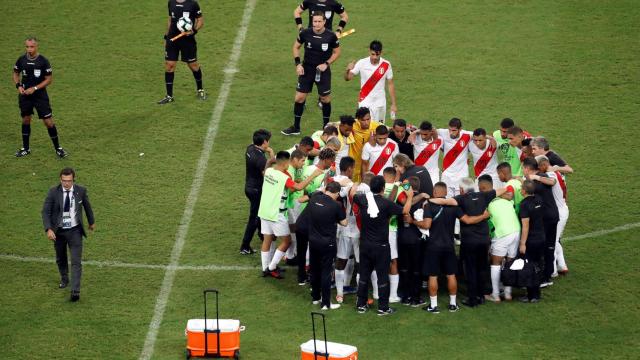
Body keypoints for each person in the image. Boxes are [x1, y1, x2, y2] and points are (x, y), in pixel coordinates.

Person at [428, 177, 513, 307]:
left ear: (462, 189)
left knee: (471, 270)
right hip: (484, 239)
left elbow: (445, 203)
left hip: (469, 241)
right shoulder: (484, 195)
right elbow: (503, 190)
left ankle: (472, 299)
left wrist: (428, 200)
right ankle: (482, 295)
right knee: (482, 268)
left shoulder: (460, 199)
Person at [422, 182, 490, 313]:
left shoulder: (429, 205)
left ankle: (434, 306)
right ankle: (453, 304)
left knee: (433, 275)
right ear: (446, 192)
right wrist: (483, 216)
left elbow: (426, 225)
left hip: (433, 246)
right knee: (451, 275)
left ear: (434, 192)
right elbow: (468, 221)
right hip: (449, 246)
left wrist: (414, 221)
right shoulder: (454, 206)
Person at [352, 175, 413, 315]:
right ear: (383, 188)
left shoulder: (363, 199)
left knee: (363, 275)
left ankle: (361, 304)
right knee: (382, 277)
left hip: (365, 245)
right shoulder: (386, 204)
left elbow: (352, 193)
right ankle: (383, 307)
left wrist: (356, 183)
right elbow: (404, 211)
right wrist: (409, 197)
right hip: (381, 247)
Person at [258, 151, 322, 279]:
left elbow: (271, 176)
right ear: (286, 162)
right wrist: (313, 175)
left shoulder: (269, 171)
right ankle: (270, 268)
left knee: (267, 239)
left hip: (264, 211)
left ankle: (265, 267)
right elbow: (298, 187)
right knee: (287, 241)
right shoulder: (284, 178)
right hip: (277, 214)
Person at [282, 11, 341, 135]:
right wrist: (298, 64)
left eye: (320, 21)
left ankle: (326, 128)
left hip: (322, 71)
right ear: (312, 21)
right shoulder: (305, 33)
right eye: (315, 21)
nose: (317, 24)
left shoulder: (331, 36)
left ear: (324, 22)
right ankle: (296, 128)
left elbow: (337, 52)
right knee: (299, 98)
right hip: (307, 69)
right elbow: (295, 47)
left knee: (325, 99)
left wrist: (326, 64)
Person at [41, 168, 95, 302]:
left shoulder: (81, 190)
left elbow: (87, 206)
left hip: (75, 231)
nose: (66, 184)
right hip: (58, 232)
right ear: (60, 180)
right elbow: (45, 211)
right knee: (61, 258)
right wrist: (48, 229)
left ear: (73, 180)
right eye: (64, 181)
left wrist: (91, 221)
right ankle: (64, 278)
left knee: (76, 261)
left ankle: (75, 290)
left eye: (69, 181)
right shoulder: (53, 192)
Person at [13, 37, 68, 158]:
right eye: (27, 47)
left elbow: (49, 80)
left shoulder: (43, 61)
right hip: (25, 96)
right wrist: (18, 86)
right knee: (26, 119)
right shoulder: (21, 60)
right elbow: (16, 73)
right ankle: (26, 148)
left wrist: (35, 88)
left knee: (48, 122)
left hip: (40, 96)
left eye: (31, 47)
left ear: (36, 46)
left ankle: (58, 148)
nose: (29, 49)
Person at [479, 175, 521, 302]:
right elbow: (509, 195)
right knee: (509, 263)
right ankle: (508, 294)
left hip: (502, 233)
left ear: (483, 188)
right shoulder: (507, 199)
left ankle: (496, 295)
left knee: (495, 264)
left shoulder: (485, 203)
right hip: (516, 230)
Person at [308, 182, 347, 310]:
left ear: (325, 189)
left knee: (314, 269)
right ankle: (325, 303)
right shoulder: (335, 205)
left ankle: (315, 297)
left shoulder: (314, 199)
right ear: (337, 193)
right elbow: (345, 223)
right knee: (326, 272)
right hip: (327, 244)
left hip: (313, 241)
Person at [158, 0, 206, 104]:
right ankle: (169, 96)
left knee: (193, 65)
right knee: (169, 65)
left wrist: (194, 31)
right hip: (173, 39)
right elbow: (170, 20)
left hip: (187, 41)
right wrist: (167, 37)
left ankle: (200, 90)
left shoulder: (193, 3)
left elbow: (200, 20)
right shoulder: (171, 2)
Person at [522, 157, 558, 287]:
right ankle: (548, 275)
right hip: (552, 215)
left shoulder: (540, 176)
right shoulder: (531, 178)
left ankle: (544, 277)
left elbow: (552, 181)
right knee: (549, 246)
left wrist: (536, 178)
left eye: (523, 168)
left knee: (546, 247)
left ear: (527, 168)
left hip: (547, 217)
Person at [345, 40, 398, 123]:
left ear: (381, 53)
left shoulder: (386, 64)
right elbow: (348, 78)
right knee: (364, 127)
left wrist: (393, 104)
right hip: (365, 101)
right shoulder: (362, 63)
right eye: (373, 54)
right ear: (369, 51)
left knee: (379, 128)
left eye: (377, 55)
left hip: (380, 103)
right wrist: (348, 70)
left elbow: (390, 84)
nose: (375, 57)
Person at [241, 129, 274, 255]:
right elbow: (269, 174)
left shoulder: (250, 148)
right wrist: (271, 155)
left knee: (260, 212)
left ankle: (261, 234)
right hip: (256, 190)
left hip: (249, 186)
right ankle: (244, 246)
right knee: (254, 218)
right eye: (268, 140)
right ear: (264, 142)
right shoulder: (260, 159)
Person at [396, 176, 428, 307]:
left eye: (405, 185)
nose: (403, 187)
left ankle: (405, 297)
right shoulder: (424, 200)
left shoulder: (401, 199)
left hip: (403, 237)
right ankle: (416, 297)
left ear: (410, 186)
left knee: (404, 268)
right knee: (416, 268)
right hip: (417, 238)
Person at [536, 155, 570, 276]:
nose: (537, 170)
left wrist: (535, 177)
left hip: (559, 211)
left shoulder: (551, 174)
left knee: (553, 240)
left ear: (544, 165)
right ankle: (561, 265)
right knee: (554, 240)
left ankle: (553, 271)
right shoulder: (557, 172)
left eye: (538, 167)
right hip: (561, 208)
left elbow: (550, 182)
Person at [518, 180, 546, 302]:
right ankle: (536, 293)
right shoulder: (539, 199)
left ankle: (531, 295)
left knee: (529, 266)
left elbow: (526, 226)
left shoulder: (524, 204)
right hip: (541, 237)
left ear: (524, 191)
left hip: (531, 240)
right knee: (538, 264)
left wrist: (522, 243)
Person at [437, 118, 473, 198]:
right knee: (445, 200)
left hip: (461, 175)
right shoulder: (443, 132)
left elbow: (481, 135)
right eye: (450, 130)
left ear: (460, 129)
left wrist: (491, 139)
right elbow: (429, 130)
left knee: (460, 201)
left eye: (454, 130)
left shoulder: (467, 135)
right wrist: (414, 132)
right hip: (447, 175)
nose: (451, 133)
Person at [350, 107, 381, 181]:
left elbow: (387, 129)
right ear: (358, 120)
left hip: (367, 163)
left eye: (368, 119)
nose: (366, 122)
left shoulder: (376, 126)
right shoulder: (353, 125)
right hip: (354, 163)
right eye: (363, 120)